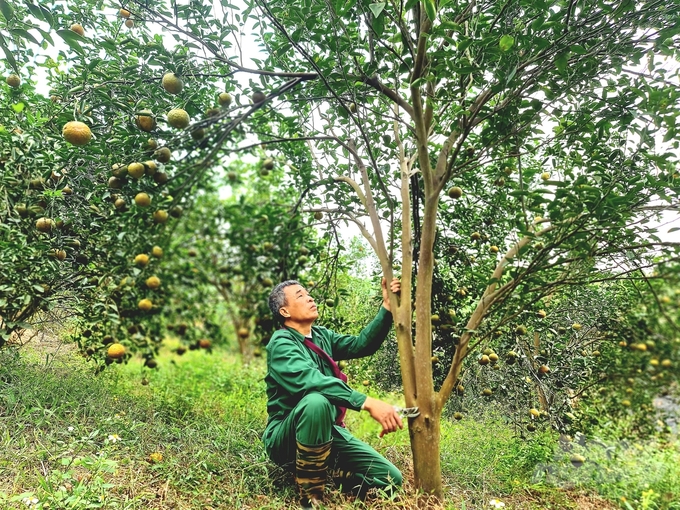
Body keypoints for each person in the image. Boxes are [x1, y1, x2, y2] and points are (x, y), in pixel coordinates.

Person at [263, 278, 404, 508]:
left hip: (327, 431)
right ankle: (311, 497)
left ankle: (332, 474)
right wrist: (367, 402)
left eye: (308, 293)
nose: (309, 297)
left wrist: (386, 306)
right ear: (284, 311)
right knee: (316, 401)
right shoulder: (281, 343)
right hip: (286, 439)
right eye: (300, 295)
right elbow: (312, 382)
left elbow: (362, 345)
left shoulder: (322, 336)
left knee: (389, 479)